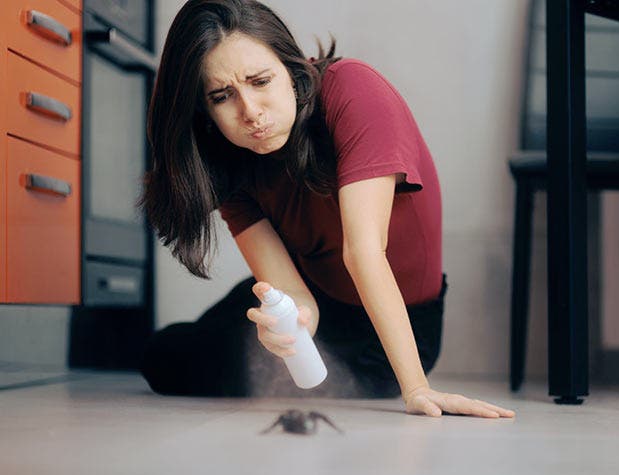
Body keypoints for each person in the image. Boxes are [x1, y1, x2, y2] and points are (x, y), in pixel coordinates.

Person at [139, 0, 514, 419]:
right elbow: (297, 297)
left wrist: (416, 388)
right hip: (314, 296)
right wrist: (291, 327)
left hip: (393, 331)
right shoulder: (226, 161)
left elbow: (364, 252)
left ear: (292, 70)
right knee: (164, 356)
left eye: (260, 81)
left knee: (179, 360)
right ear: (204, 112)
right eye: (222, 96)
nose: (250, 112)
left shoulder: (352, 90)